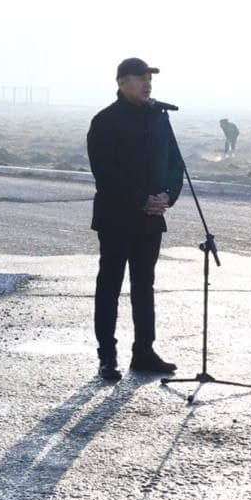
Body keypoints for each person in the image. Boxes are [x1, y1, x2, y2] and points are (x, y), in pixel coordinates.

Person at [87, 57, 183, 382]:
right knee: (110, 286)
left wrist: (168, 195)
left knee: (144, 286)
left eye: (149, 79)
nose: (147, 83)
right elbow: (106, 175)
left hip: (151, 220)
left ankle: (144, 351)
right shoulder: (104, 122)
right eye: (140, 78)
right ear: (121, 82)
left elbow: (175, 163)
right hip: (116, 219)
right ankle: (107, 356)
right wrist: (142, 199)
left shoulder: (159, 119)